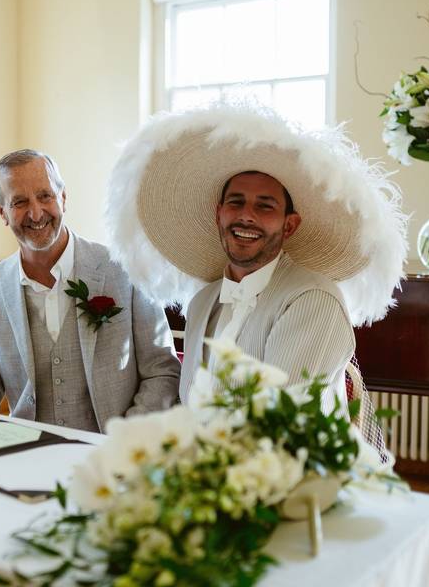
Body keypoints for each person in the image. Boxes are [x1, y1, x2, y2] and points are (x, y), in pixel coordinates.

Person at [103, 102, 407, 418]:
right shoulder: (203, 302)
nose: (246, 215)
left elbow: (278, 421)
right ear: (219, 213)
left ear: (290, 225)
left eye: (265, 206)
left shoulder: (314, 299)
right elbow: (190, 405)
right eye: (236, 202)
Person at [0, 149, 181, 432]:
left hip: (113, 455)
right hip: (26, 455)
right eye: (20, 202)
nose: (36, 213)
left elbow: (162, 372)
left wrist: (124, 441)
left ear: (63, 198)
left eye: (45, 196)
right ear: (2, 212)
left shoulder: (124, 270)